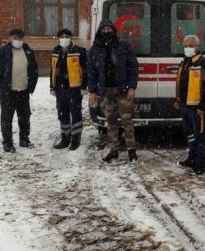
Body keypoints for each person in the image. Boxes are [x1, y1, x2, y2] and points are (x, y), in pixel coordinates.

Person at [87, 19, 139, 162]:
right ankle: (114, 150)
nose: (106, 31)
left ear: (114, 30)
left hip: (122, 90)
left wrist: (132, 87)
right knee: (110, 122)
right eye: (104, 29)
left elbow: (133, 67)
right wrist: (92, 91)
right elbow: (91, 72)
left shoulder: (123, 46)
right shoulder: (95, 49)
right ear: (99, 31)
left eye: (109, 29)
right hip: (105, 91)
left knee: (127, 121)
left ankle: (131, 151)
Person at [0, 29, 39, 153]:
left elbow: (34, 69)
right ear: (10, 38)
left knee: (24, 117)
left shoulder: (28, 51)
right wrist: (1, 85)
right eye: (16, 38)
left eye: (21, 38)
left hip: (23, 91)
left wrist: (31, 84)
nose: (18, 40)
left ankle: (24, 139)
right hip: (8, 92)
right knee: (7, 118)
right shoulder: (2, 52)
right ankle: (7, 143)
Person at [175, 34, 205, 175]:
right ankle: (191, 159)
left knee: (200, 136)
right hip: (185, 106)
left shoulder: (203, 63)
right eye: (185, 46)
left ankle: (199, 165)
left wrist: (203, 106)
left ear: (197, 47)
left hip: (197, 108)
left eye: (190, 46)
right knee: (189, 134)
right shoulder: (185, 62)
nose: (188, 48)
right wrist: (178, 100)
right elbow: (180, 83)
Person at [50, 28, 87, 150]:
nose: (64, 38)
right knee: (62, 113)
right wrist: (52, 86)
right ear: (58, 38)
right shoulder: (55, 51)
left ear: (71, 38)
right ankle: (65, 138)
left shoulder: (79, 51)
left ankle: (76, 139)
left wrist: (84, 86)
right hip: (60, 89)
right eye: (61, 36)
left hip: (75, 88)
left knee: (75, 113)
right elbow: (53, 70)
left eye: (66, 36)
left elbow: (85, 70)